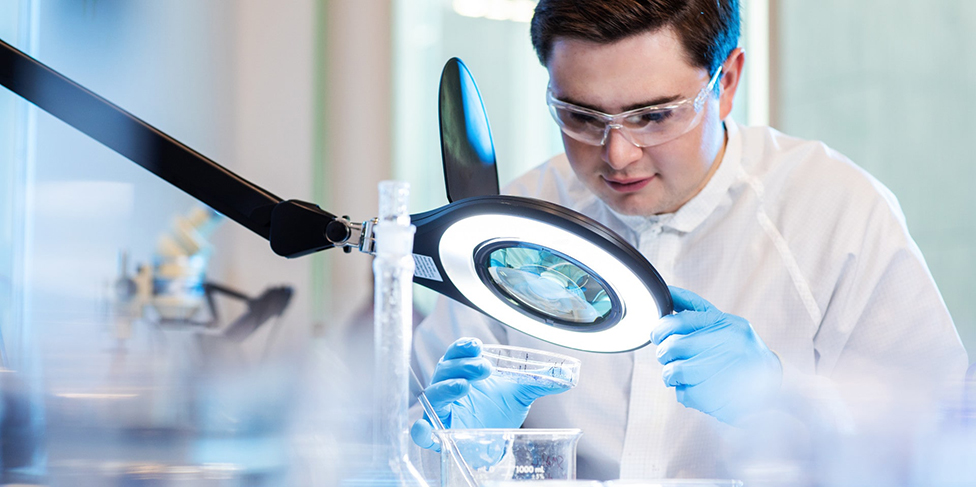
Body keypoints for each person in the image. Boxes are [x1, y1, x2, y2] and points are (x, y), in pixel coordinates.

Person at [410, 0, 969, 481]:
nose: (617, 154)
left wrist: (784, 398)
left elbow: (945, 449)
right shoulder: (512, 229)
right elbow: (414, 451)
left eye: (653, 116)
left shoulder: (836, 213)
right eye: (580, 116)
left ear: (725, 84)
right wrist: (458, 450)